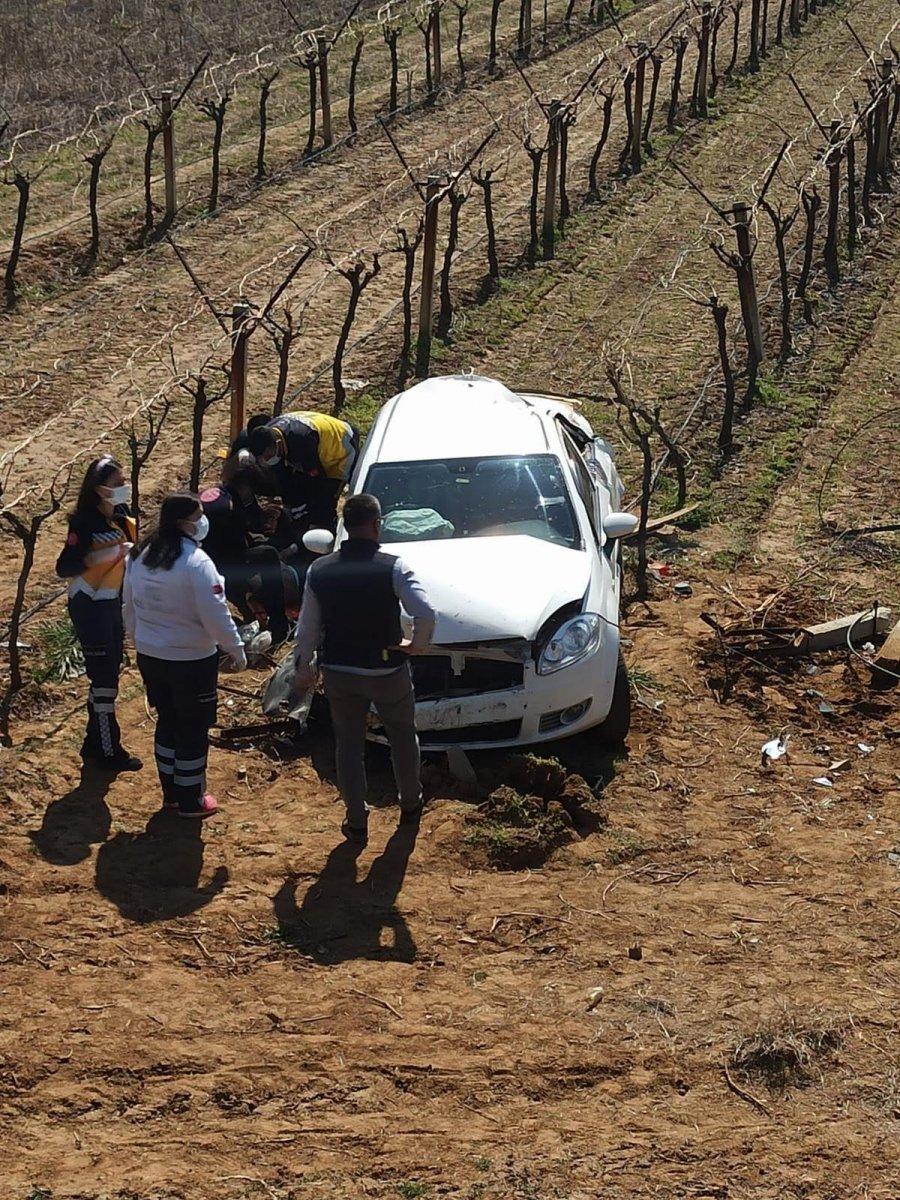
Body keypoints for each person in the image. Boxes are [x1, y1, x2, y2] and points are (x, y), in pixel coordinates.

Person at [293, 493, 436, 846]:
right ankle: (410, 803)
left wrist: (303, 668)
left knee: (348, 745)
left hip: (340, 671)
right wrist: (415, 646)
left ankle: (356, 820)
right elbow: (426, 612)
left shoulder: (319, 570)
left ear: (345, 525)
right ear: (376, 524)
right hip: (387, 671)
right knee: (402, 736)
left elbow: (307, 629)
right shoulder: (394, 567)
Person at [123, 493, 247, 819]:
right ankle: (192, 800)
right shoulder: (196, 562)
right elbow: (215, 614)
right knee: (193, 729)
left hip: (151, 655)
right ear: (183, 522)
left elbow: (129, 605)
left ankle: (172, 795)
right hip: (192, 661)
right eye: (199, 515)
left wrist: (138, 640)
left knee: (167, 720)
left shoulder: (141, 554)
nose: (203, 521)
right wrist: (236, 650)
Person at [55, 456, 142, 773]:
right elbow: (65, 566)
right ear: (99, 489)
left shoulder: (121, 516)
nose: (123, 488)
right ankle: (108, 750)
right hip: (89, 605)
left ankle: (94, 743)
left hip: (112, 603)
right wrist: (106, 556)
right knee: (104, 680)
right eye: (117, 484)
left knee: (109, 671)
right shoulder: (83, 523)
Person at [199, 475, 291, 645]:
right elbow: (239, 541)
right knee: (268, 554)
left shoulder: (222, 496)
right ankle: (278, 621)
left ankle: (252, 613)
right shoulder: (226, 512)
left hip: (220, 558)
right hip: (223, 563)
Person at [245, 411, 360, 532]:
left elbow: (316, 480)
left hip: (341, 445)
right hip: (317, 444)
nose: (266, 461)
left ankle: (326, 532)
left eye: (268, 457)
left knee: (327, 497)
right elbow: (284, 479)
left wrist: (308, 512)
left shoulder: (302, 442)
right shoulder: (267, 435)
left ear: (278, 444)